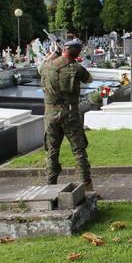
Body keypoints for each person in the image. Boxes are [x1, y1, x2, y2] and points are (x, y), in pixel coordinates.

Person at [39, 39, 94, 190]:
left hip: (51, 113)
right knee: (78, 149)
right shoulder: (76, 68)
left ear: (64, 49)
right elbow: (89, 79)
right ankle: (87, 186)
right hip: (70, 113)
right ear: (77, 54)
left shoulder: (47, 66)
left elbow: (40, 68)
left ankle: (50, 186)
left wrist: (55, 53)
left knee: (52, 150)